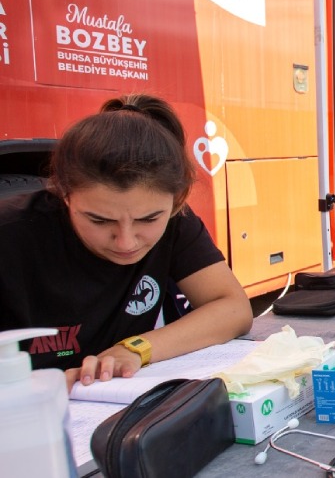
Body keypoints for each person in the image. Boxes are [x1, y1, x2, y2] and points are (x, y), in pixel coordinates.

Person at [0, 94, 253, 388]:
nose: (125, 241)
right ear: (63, 194)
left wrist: (136, 349)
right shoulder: (10, 234)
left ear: (177, 201)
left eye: (148, 220)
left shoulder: (176, 221)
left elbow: (233, 309)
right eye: (99, 220)